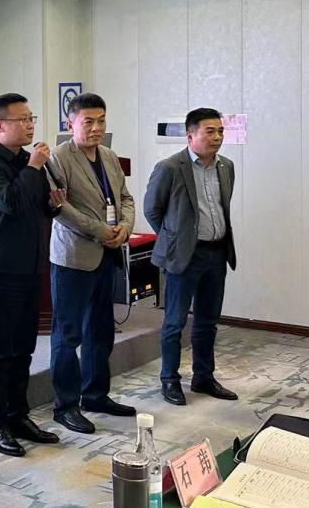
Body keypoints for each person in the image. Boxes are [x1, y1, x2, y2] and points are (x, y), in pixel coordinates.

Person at [0, 93, 64, 458]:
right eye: (22, 120)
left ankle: (18, 415)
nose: (29, 126)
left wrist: (53, 204)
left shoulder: (29, 162)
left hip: (31, 267)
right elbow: (9, 202)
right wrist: (34, 168)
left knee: (23, 348)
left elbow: (33, 207)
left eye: (31, 119)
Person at [46, 93, 136, 435]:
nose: (97, 128)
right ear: (70, 124)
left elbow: (125, 198)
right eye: (88, 121)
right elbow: (61, 209)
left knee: (100, 330)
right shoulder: (59, 158)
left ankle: (95, 395)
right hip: (74, 257)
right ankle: (65, 406)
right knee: (67, 335)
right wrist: (101, 231)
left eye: (101, 121)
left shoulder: (109, 156)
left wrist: (125, 227)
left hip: (108, 253)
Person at [144, 107, 239, 407]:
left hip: (217, 252)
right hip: (184, 256)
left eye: (220, 131)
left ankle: (204, 377)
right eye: (210, 131)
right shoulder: (170, 167)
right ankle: (169, 379)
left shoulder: (226, 166)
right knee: (174, 322)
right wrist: (175, 240)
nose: (217, 137)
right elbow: (152, 209)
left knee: (208, 321)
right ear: (190, 135)